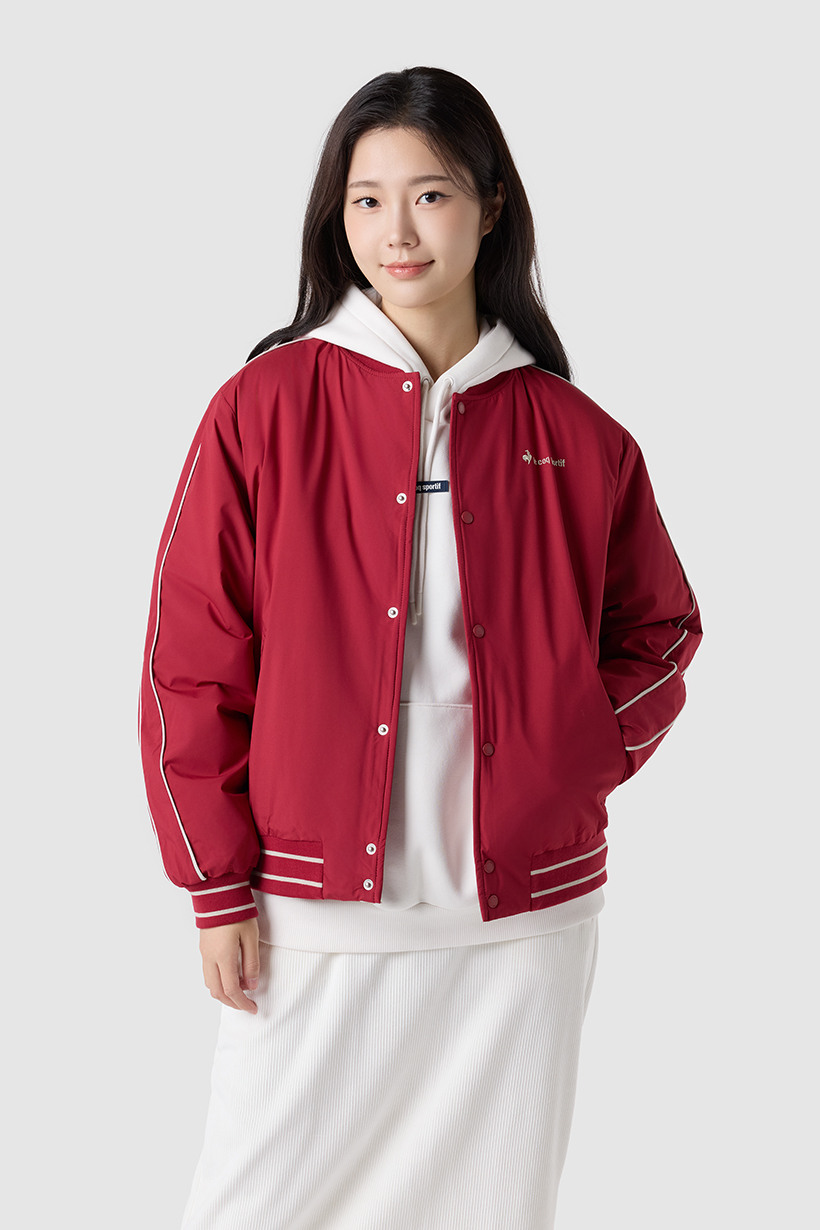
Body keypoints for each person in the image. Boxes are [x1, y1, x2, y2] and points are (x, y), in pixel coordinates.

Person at [139, 65, 702, 1230]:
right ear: (336, 217)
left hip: (523, 921)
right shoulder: (263, 408)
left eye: (430, 195)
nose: (396, 232)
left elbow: (660, 632)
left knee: (494, 1209)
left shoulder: (577, 434)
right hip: (311, 910)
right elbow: (189, 661)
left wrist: (568, 753)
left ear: (491, 207)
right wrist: (214, 885)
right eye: (366, 200)